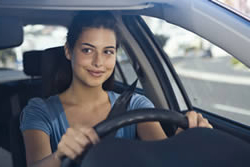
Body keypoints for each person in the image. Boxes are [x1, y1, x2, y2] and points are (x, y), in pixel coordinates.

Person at [20, 11, 213, 167]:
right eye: (87, 50)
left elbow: (161, 158)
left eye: (108, 52)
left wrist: (183, 138)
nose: (98, 62)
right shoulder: (39, 111)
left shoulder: (135, 104)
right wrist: (59, 156)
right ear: (68, 51)